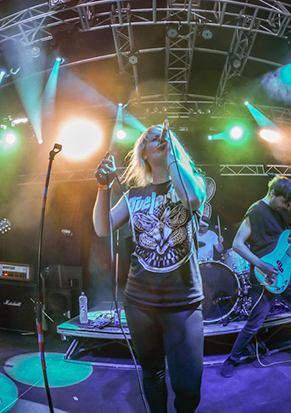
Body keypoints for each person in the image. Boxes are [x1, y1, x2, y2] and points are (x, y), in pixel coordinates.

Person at [93, 125, 206, 413]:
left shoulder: (194, 182)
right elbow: (103, 227)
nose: (160, 140)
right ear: (143, 151)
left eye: (165, 137)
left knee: (189, 388)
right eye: (153, 138)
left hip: (184, 302)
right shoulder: (134, 195)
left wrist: (172, 158)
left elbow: (192, 199)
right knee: (153, 374)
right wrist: (103, 188)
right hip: (140, 301)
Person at [220, 175, 291, 378]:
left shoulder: (281, 213)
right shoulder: (255, 211)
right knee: (255, 322)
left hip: (286, 271)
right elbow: (237, 244)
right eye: (285, 202)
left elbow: (282, 242)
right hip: (264, 276)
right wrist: (261, 265)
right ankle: (231, 360)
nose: (287, 206)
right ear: (273, 193)